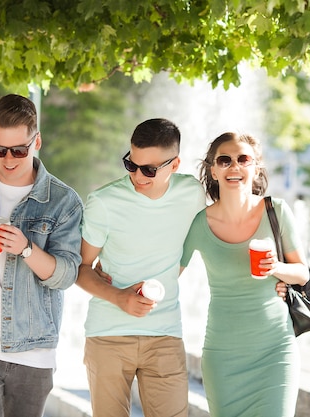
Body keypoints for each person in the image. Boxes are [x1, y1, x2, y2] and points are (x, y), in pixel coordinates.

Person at [0, 94, 84, 417]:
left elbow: (65, 276)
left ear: (37, 143)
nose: (8, 160)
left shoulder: (62, 202)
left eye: (18, 150)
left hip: (33, 346)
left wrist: (26, 248)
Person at [76, 118, 207, 417]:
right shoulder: (104, 201)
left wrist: (172, 273)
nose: (138, 175)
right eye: (131, 165)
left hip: (165, 334)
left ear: (174, 166)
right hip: (107, 335)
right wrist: (119, 297)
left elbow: (202, 238)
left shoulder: (192, 193)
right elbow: (81, 268)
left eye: (149, 170)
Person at [180, 132, 309, 417]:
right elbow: (169, 274)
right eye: (224, 160)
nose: (234, 166)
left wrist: (276, 268)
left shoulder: (277, 211)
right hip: (223, 356)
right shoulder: (199, 224)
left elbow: (302, 274)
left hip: (276, 349)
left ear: (256, 167)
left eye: (243, 159)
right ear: (213, 170)